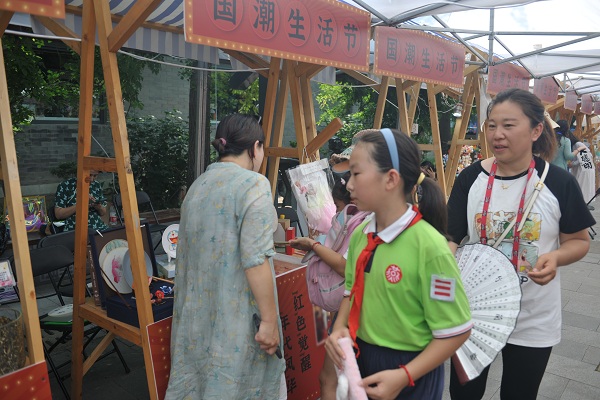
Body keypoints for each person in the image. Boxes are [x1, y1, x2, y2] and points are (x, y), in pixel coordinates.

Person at [447, 88, 595, 400]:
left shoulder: (558, 182)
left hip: (533, 317)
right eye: (491, 125)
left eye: (508, 125)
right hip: (475, 313)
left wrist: (556, 257)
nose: (497, 134)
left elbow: (579, 241)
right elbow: (451, 239)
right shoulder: (470, 179)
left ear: (536, 130)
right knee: (464, 395)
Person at [326, 128, 472, 400]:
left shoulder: (430, 247)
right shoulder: (361, 235)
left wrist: (404, 375)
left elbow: (455, 331)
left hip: (411, 372)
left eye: (356, 174)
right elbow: (351, 292)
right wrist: (339, 329)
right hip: (363, 358)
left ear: (391, 179)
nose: (348, 185)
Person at [165, 114, 285, 399]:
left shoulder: (197, 187)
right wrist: (269, 322)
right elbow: (256, 259)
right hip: (238, 326)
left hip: (195, 325)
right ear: (255, 147)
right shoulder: (253, 185)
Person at [289, 171, 369, 400]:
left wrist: (313, 245)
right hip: (353, 310)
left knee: (332, 380)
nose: (351, 186)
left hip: (356, 312)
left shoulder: (363, 223)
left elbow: (345, 268)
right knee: (336, 379)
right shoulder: (366, 221)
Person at [566, 128, 596, 208]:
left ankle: (583, 204)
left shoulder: (578, 144)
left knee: (583, 186)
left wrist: (573, 164)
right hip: (583, 168)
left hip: (584, 169)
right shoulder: (574, 145)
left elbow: (584, 157)